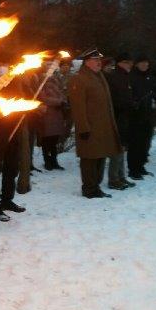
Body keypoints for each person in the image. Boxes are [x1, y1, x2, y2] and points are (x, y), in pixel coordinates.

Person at [68, 48, 121, 198]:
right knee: (90, 159)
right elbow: (78, 107)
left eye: (99, 60)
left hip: (103, 126)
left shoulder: (98, 76)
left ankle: (96, 186)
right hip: (90, 127)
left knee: (100, 156)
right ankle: (89, 189)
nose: (99, 63)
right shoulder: (79, 78)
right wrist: (83, 128)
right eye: (96, 60)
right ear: (87, 62)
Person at [0, 60, 26, 220]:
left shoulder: (13, 81)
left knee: (12, 168)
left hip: (14, 131)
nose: (2, 66)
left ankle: (7, 200)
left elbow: (21, 100)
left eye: (4, 63)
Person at [105, 53, 136, 190]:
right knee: (117, 147)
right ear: (121, 63)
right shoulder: (115, 77)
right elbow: (116, 100)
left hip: (124, 116)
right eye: (128, 62)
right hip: (118, 117)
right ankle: (114, 179)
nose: (131, 65)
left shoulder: (124, 76)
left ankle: (121, 176)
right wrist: (129, 105)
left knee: (122, 147)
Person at [33, 62, 67, 170]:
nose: (51, 67)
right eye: (48, 65)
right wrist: (58, 102)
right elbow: (42, 97)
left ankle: (54, 161)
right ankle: (47, 161)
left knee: (54, 139)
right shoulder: (41, 80)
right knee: (47, 139)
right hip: (47, 114)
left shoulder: (57, 79)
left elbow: (62, 93)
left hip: (57, 113)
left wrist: (63, 101)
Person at [127, 55, 156, 179]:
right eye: (142, 63)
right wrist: (134, 104)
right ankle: (133, 169)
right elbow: (129, 96)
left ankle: (141, 166)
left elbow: (153, 92)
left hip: (148, 114)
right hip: (136, 116)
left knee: (145, 142)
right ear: (137, 64)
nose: (145, 65)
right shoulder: (132, 77)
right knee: (135, 143)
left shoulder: (149, 77)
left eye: (146, 63)